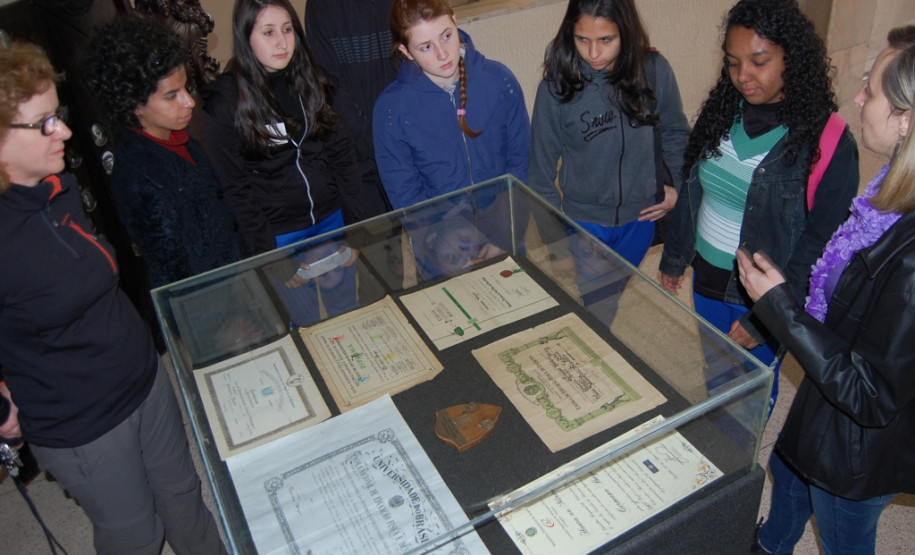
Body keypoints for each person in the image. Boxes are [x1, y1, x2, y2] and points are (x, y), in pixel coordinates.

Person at [0, 41, 225, 554]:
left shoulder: (59, 187)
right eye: (43, 124)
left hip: (144, 378)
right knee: (135, 534)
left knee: (183, 494)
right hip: (83, 421)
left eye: (56, 115)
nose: (64, 130)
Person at [739, 25, 915, 555]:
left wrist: (779, 309)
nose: (858, 98)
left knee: (843, 538)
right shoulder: (891, 188)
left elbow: (870, 391)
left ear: (905, 119)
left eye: (871, 89)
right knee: (787, 477)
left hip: (856, 446)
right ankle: (770, 545)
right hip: (823, 405)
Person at [659, 0, 859, 413]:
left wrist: (770, 316)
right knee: (716, 376)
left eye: (759, 61)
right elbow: (696, 187)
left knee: (749, 396)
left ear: (793, 58)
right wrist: (676, 255)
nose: (742, 77)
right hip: (709, 277)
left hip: (762, 296)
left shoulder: (828, 141)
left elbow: (821, 244)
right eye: (733, 63)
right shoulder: (723, 110)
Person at [203, 0, 376, 327]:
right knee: (301, 321)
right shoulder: (225, 103)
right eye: (268, 32)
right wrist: (273, 258)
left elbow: (344, 161)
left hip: (332, 219)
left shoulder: (317, 83)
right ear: (246, 37)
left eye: (287, 30)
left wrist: (356, 230)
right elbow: (236, 190)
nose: (281, 43)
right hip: (280, 234)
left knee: (346, 310)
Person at [527, 0, 690, 324]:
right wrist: (557, 242)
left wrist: (678, 191)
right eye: (582, 39)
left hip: (641, 219)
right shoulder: (556, 87)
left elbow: (675, 135)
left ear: (625, 33)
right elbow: (540, 174)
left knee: (610, 298)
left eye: (606, 40)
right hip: (586, 223)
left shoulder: (655, 71)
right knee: (598, 308)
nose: (594, 53)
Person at [82, 17, 245, 289]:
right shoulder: (137, 177)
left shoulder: (181, 139)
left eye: (186, 88)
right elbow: (173, 273)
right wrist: (224, 322)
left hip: (237, 284)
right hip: (211, 309)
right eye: (172, 95)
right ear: (134, 104)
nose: (189, 101)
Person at [372, 0, 530, 278]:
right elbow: (405, 193)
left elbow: (520, 162)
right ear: (405, 51)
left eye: (446, 35)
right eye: (426, 47)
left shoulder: (499, 80)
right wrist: (446, 251)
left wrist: (504, 238)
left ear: (456, 22)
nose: (443, 53)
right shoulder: (391, 109)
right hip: (440, 240)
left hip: (502, 224)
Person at [305, 0, 398, 212]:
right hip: (360, 163)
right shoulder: (321, 7)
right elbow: (330, 87)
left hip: (408, 151)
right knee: (378, 240)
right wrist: (371, 143)